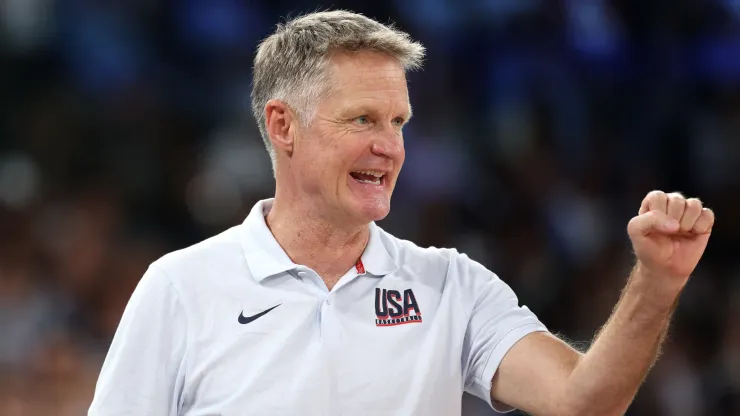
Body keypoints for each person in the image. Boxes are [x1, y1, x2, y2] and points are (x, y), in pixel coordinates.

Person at [88, 10, 716, 416]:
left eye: (398, 121)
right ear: (283, 125)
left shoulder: (451, 286)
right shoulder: (180, 287)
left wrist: (656, 287)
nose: (389, 145)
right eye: (362, 118)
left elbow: (584, 403)